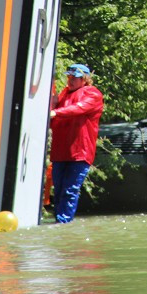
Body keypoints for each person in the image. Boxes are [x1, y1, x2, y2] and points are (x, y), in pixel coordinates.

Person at [49, 63, 104, 223]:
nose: (71, 80)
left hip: (80, 152)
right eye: (69, 77)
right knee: (58, 190)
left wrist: (55, 111)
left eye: (75, 78)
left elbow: (79, 108)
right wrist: (53, 105)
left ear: (85, 79)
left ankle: (63, 223)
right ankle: (59, 222)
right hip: (60, 151)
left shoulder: (92, 94)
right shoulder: (64, 94)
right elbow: (55, 120)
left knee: (69, 190)